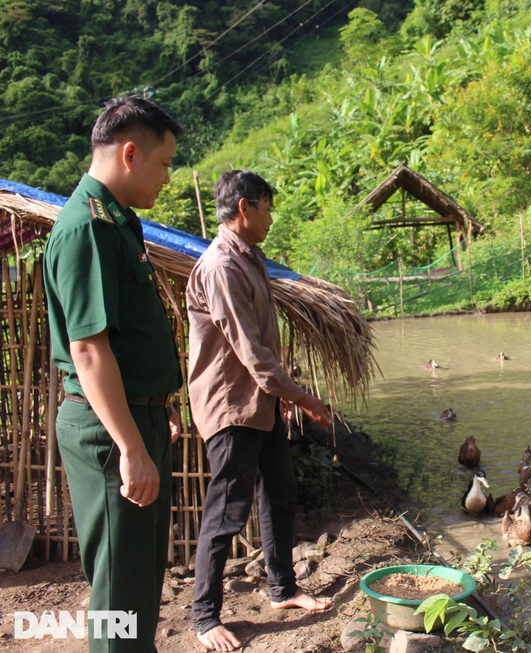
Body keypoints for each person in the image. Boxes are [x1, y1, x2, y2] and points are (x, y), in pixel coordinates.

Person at [42, 95, 183, 653]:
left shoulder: (119, 224)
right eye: (165, 164)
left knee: (141, 581)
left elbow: (126, 342)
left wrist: (153, 413)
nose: (168, 178)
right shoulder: (87, 228)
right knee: (118, 595)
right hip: (109, 434)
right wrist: (130, 445)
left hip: (133, 420)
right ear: (130, 153)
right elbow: (89, 350)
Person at [187, 170, 334, 651]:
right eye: (267, 208)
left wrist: (282, 395)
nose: (271, 217)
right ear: (245, 208)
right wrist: (303, 398)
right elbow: (250, 352)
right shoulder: (222, 266)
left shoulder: (250, 258)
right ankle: (205, 618)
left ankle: (283, 588)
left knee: (280, 494)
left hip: (260, 401)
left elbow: (263, 348)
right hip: (231, 405)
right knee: (227, 511)